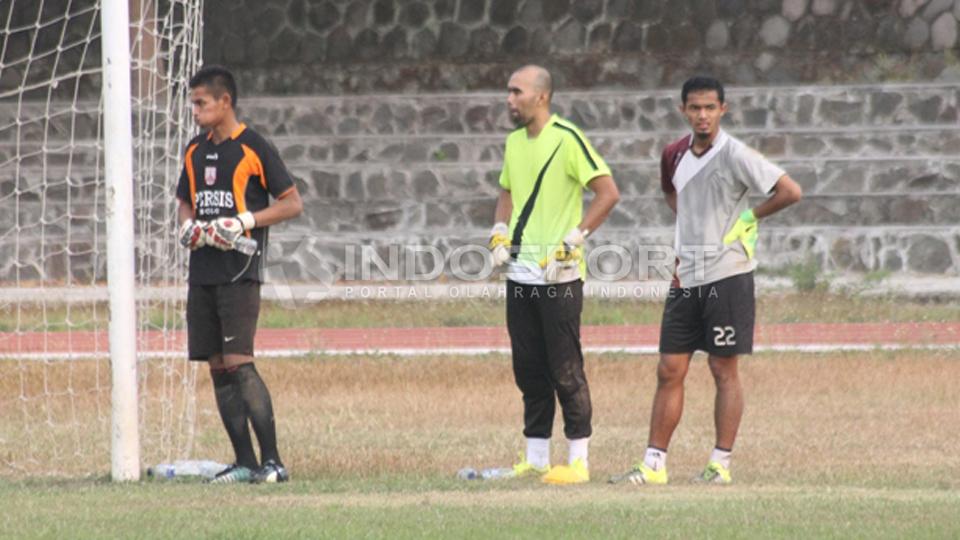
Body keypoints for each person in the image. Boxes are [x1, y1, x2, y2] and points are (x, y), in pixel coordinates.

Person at [611, 76, 802, 486]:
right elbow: (671, 194)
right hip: (686, 275)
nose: (702, 115)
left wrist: (749, 218)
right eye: (695, 108)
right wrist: (693, 228)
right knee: (669, 369)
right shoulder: (673, 154)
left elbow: (790, 191)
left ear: (723, 110)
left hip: (728, 275)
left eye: (710, 108)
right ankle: (654, 464)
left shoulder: (736, 154)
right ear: (683, 110)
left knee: (722, 368)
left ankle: (720, 463)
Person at [488, 65, 620, 485]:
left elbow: (608, 192)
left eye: (516, 92)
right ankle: (537, 457)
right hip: (520, 275)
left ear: (541, 96)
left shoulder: (566, 138)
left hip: (558, 277)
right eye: (509, 92)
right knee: (527, 367)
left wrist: (574, 239)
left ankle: (578, 460)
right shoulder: (513, 143)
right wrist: (498, 231)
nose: (509, 100)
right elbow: (507, 191)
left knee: (565, 367)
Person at [176, 65, 303, 484]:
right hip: (203, 273)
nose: (195, 110)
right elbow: (186, 201)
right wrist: (188, 226)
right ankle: (245, 461)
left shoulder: (253, 147)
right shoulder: (195, 151)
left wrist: (245, 220)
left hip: (240, 272)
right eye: (192, 103)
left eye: (201, 103)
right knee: (216, 366)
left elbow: (291, 203)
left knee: (239, 363)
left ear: (224, 102)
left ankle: (273, 462)